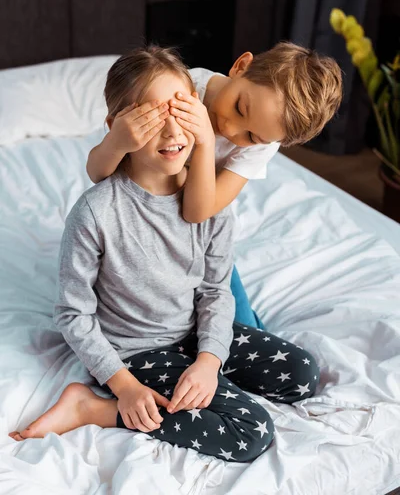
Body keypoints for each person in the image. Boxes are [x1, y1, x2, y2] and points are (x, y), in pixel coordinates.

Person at [9, 48, 319, 462]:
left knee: (302, 374)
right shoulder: (96, 211)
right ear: (122, 127)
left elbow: (215, 288)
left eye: (183, 117)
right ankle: (94, 408)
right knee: (252, 430)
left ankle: (198, 381)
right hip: (135, 350)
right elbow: (73, 314)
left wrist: (208, 361)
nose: (174, 134)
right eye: (156, 120)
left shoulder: (212, 207)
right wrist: (122, 387)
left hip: (188, 330)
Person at [86, 43, 343, 329]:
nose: (232, 131)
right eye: (239, 108)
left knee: (243, 327)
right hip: (142, 226)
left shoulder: (264, 144)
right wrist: (116, 141)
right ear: (241, 66)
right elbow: (99, 174)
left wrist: (205, 141)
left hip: (196, 236)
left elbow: (198, 213)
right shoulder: (176, 86)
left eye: (253, 137)